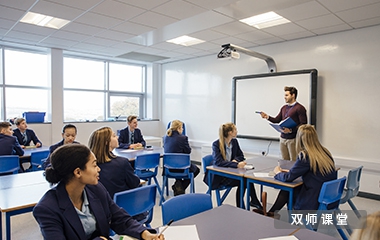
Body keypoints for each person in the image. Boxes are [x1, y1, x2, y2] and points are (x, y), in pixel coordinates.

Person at [33, 144, 163, 240]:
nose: (99, 169)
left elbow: (119, 218)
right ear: (78, 172)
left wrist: (143, 233)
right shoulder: (47, 209)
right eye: (94, 165)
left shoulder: (96, 189)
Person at [266, 124, 337, 213]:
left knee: (288, 189)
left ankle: (272, 214)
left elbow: (288, 178)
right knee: (288, 190)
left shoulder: (306, 156)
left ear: (299, 139)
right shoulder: (324, 152)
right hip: (329, 199)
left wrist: (277, 172)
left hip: (314, 201)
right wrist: (292, 172)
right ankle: (271, 213)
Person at [203, 122, 261, 209]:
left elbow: (241, 155)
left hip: (231, 173)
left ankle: (247, 204)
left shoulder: (234, 142)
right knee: (244, 181)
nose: (237, 132)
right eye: (235, 130)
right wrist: (235, 164)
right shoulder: (216, 144)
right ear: (230, 132)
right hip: (219, 177)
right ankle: (246, 204)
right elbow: (219, 162)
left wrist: (235, 160)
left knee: (246, 180)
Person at [88, 126, 140, 199]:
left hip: (98, 205)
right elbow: (135, 183)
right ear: (107, 142)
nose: (117, 137)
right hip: (121, 205)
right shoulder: (122, 163)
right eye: (114, 136)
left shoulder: (88, 166)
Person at [260, 86, 307, 161]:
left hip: (293, 139)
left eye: (286, 95)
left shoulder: (300, 108)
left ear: (293, 95)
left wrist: (291, 130)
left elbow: (303, 125)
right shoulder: (284, 108)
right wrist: (267, 117)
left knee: (294, 160)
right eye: (284, 95)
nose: (284, 97)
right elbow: (277, 120)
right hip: (283, 138)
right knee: (284, 160)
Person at [163, 120, 200, 196]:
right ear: (178, 128)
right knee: (196, 170)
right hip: (181, 168)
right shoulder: (183, 138)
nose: (182, 129)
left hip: (168, 168)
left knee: (178, 165)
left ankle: (178, 185)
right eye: (182, 128)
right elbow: (188, 151)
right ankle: (180, 187)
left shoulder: (165, 138)